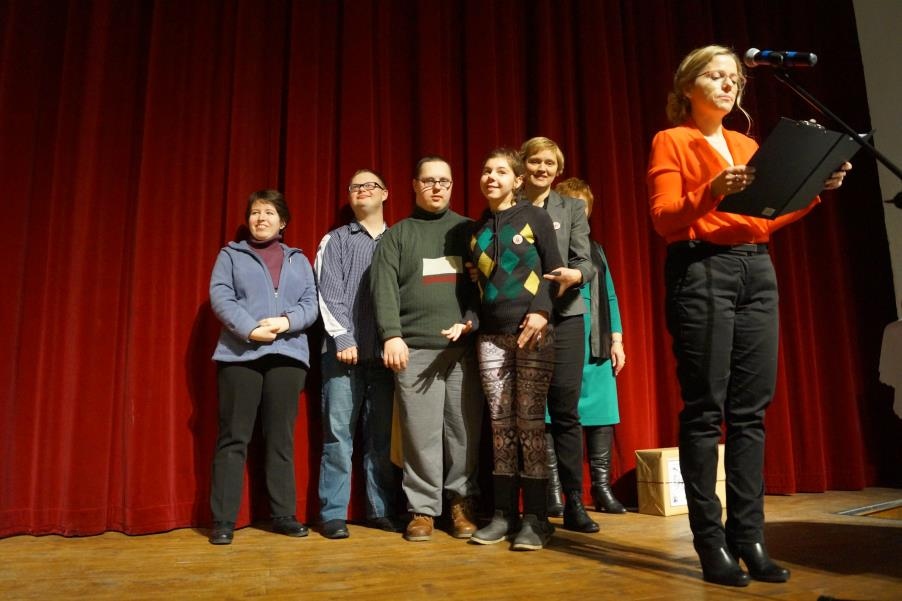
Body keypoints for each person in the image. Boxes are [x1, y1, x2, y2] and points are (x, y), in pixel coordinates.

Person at [647, 45, 851, 586]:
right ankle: (710, 543)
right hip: (700, 270)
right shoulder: (672, 140)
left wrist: (813, 192)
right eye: (715, 76)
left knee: (751, 411)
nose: (727, 84)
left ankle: (750, 538)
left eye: (734, 78)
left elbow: (764, 221)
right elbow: (665, 219)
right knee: (704, 409)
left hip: (756, 270)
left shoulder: (746, 145)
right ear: (687, 86)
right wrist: (711, 190)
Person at [370, 156, 483, 542]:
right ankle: (422, 509)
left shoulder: (469, 231)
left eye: (444, 181)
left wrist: (471, 321)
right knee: (421, 435)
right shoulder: (397, 236)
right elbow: (383, 288)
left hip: (462, 351)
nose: (437, 188)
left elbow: (484, 286)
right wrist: (391, 335)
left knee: (462, 431)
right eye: (429, 181)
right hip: (415, 350)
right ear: (415, 185)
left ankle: (461, 503)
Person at [208, 189, 319, 545]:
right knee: (233, 437)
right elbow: (221, 296)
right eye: (256, 212)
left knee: (280, 437)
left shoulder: (298, 260)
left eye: (269, 212)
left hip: (288, 356)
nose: (261, 218)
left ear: (282, 222)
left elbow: (311, 303)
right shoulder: (230, 255)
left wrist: (286, 322)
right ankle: (223, 520)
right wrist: (250, 329)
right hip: (239, 355)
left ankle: (284, 515)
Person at [467, 148, 565, 551]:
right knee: (500, 425)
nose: (492, 177)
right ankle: (503, 515)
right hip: (490, 337)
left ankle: (536, 519)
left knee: (529, 423)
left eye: (501, 171)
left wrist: (541, 311)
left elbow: (555, 271)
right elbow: (476, 288)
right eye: (486, 170)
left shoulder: (535, 217)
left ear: (518, 180)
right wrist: (469, 320)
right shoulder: (476, 231)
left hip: (533, 331)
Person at [313, 169, 403, 539]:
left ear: (385, 193)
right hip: (342, 355)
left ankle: (380, 511)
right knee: (338, 438)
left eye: (370, 185)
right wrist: (344, 338)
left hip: (385, 358)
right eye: (355, 186)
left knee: (381, 439)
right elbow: (328, 293)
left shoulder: (399, 239)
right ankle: (333, 514)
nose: (362, 190)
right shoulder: (335, 240)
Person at [519, 137, 599, 533]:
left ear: (558, 169)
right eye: (535, 161)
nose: (542, 168)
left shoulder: (571, 208)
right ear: (523, 165)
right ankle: (533, 506)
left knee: (566, 413)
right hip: (520, 320)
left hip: (566, 317)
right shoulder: (509, 206)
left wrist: (576, 274)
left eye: (549, 163)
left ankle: (574, 502)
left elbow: (587, 262)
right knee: (528, 416)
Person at [544, 178, 627, 517]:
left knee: (602, 414)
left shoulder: (596, 250)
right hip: (560, 337)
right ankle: (554, 492)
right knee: (553, 416)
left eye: (585, 208)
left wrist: (617, 340)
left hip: (596, 341)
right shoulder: (547, 247)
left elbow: (610, 295)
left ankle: (602, 488)